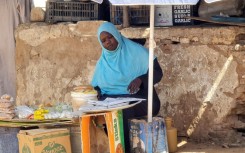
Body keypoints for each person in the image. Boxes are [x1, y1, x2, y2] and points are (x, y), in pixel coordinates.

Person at [91, 22, 163, 153]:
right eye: (104, 41)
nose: (108, 42)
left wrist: (141, 79)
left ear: (116, 35)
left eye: (110, 37)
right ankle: (116, 148)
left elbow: (158, 73)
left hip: (140, 98)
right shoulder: (103, 62)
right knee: (108, 112)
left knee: (124, 111)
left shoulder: (137, 51)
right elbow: (97, 86)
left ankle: (125, 149)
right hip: (114, 100)